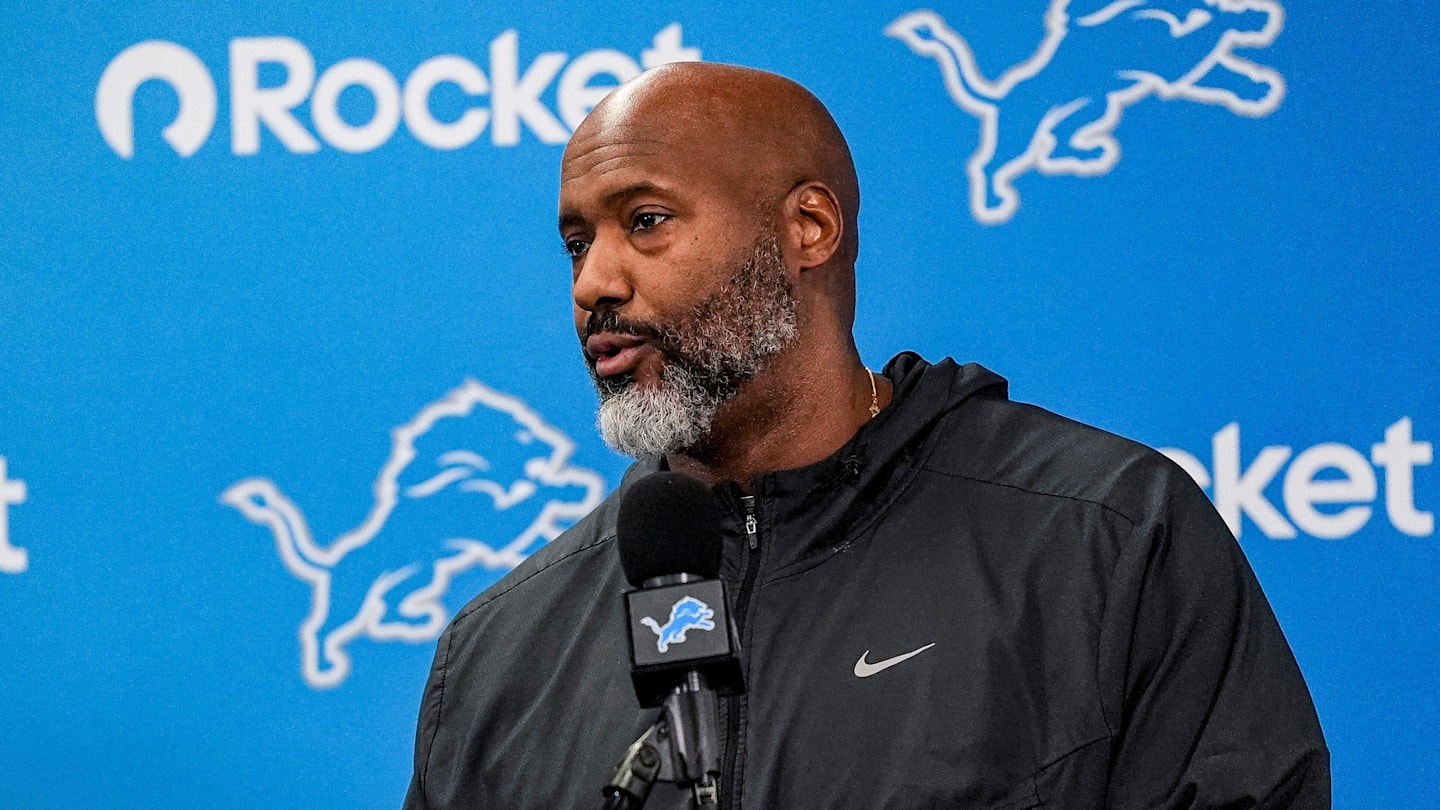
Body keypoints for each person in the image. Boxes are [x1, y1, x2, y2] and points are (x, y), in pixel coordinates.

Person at [402, 62, 1329, 809]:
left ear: (807, 228)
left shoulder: (1104, 537)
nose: (593, 282)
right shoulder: (498, 652)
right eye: (576, 242)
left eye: (646, 223)